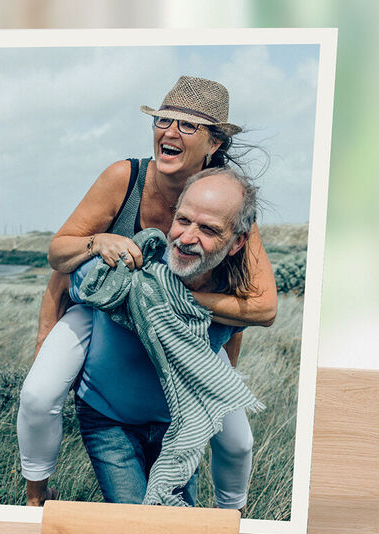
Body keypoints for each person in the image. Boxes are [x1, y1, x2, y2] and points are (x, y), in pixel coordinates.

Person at [17, 75, 276, 509]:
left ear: (214, 143)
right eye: (163, 120)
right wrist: (96, 242)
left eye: (188, 125)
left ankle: (233, 516)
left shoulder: (223, 201)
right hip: (102, 310)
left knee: (237, 439)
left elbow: (262, 306)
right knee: (38, 396)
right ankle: (35, 495)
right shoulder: (125, 177)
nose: (170, 131)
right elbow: (58, 256)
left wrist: (175, 302)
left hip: (184, 324)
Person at [71, 166, 264, 505]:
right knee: (134, 524)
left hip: (180, 429)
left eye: (208, 229)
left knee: (176, 525)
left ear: (237, 243)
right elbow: (72, 282)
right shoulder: (130, 270)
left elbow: (232, 340)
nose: (187, 238)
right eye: (183, 220)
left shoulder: (232, 300)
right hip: (110, 423)